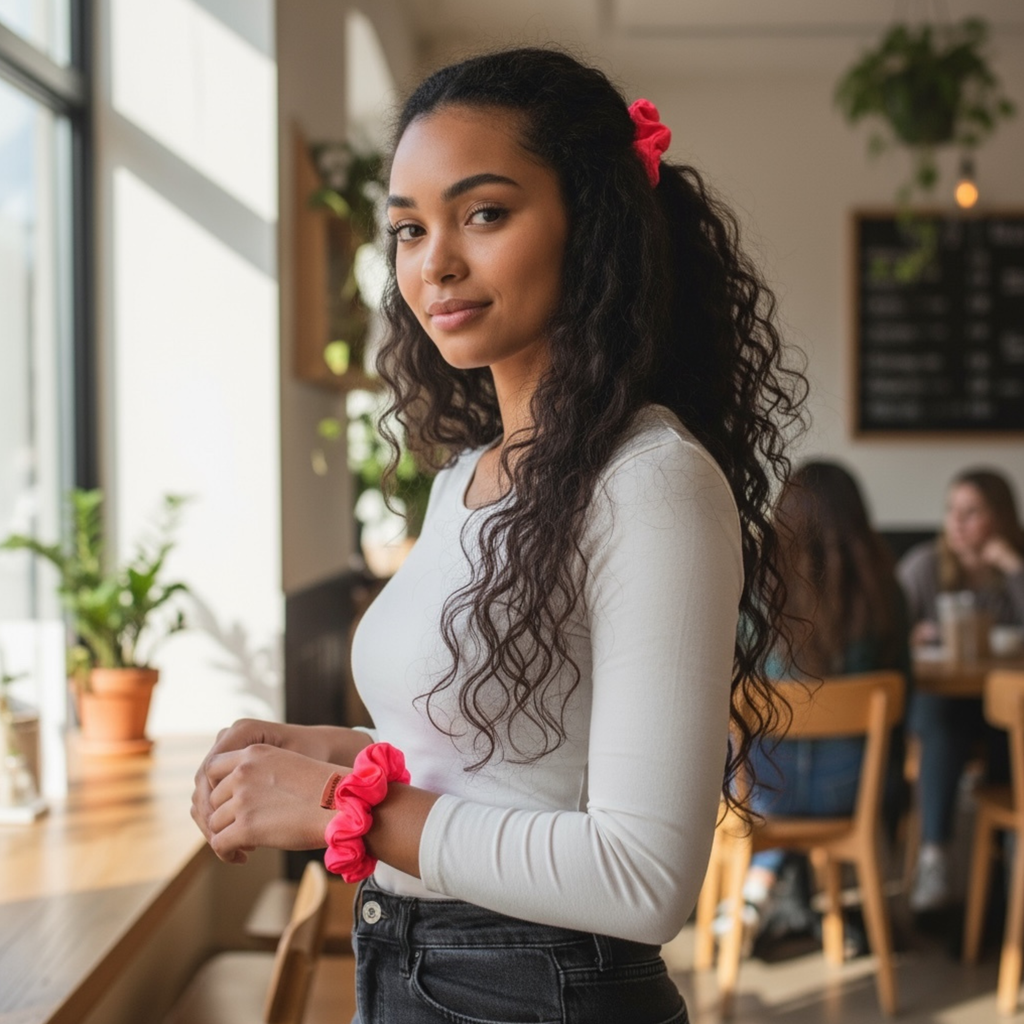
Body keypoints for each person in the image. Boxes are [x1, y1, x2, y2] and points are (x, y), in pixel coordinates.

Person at [190, 47, 805, 1023]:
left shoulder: (648, 482)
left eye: (482, 213)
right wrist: (344, 758)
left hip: (538, 989)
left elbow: (644, 876)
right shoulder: (463, 480)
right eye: (406, 228)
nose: (433, 261)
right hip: (409, 959)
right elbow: (502, 775)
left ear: (589, 226)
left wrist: (339, 810)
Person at [718, 461, 910, 946]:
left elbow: (724, 679)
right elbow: (905, 694)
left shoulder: (750, 586)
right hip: (849, 792)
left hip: (761, 789)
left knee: (745, 748)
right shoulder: (886, 591)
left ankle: (755, 891)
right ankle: (799, 899)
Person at [901, 468, 1024, 911]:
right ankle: (935, 857)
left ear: (1001, 518)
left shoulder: (1015, 567)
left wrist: (1012, 567)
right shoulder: (924, 567)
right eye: (952, 510)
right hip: (942, 704)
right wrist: (911, 634)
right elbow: (889, 629)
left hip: (1003, 706)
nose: (957, 522)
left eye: (971, 513)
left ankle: (1010, 862)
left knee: (1013, 728)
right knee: (940, 718)